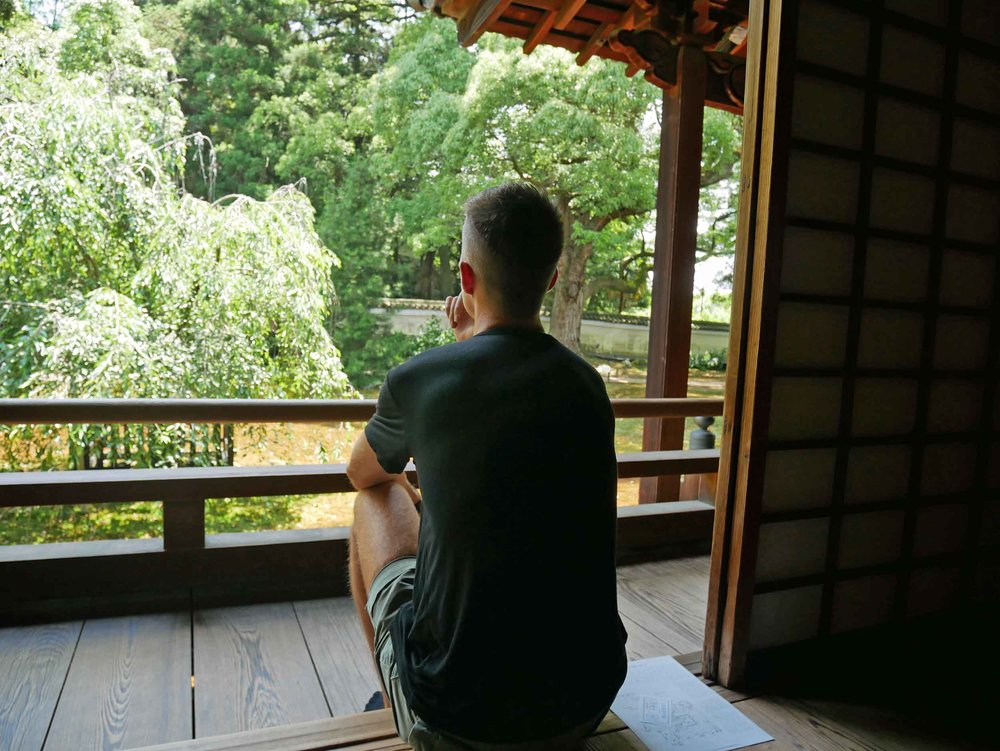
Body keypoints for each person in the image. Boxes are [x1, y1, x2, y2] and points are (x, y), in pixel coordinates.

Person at [346, 183, 627, 750]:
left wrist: (428, 471)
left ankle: (394, 689)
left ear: (466, 279)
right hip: (584, 701)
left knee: (374, 499)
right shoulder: (587, 387)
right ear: (549, 281)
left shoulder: (421, 380)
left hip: (456, 723)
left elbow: (362, 472)